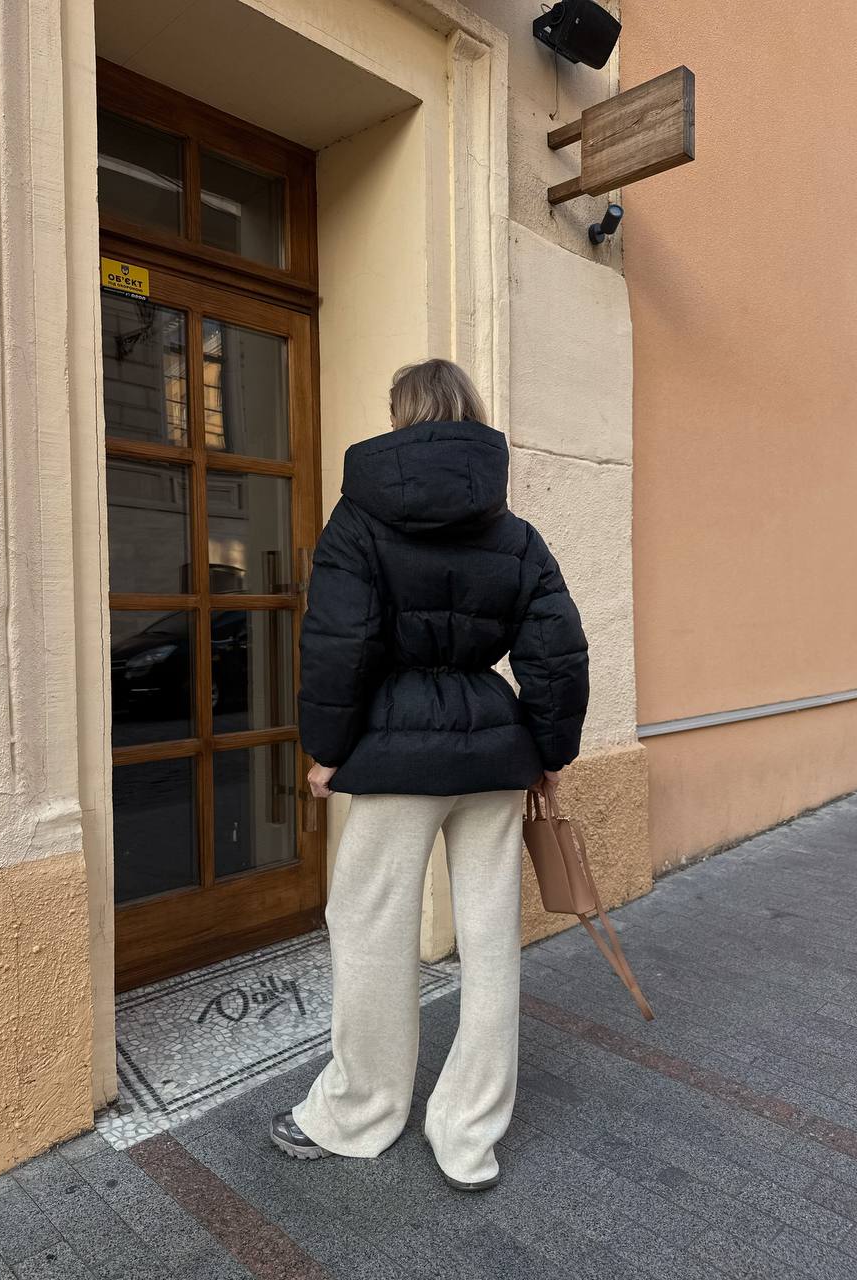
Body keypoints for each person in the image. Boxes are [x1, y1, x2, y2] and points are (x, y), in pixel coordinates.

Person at [270, 358, 589, 1190]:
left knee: (370, 926)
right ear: (471, 418)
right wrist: (550, 755)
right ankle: (468, 1135)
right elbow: (556, 650)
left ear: (400, 416)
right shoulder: (513, 532)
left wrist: (325, 750)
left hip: (392, 754)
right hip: (491, 752)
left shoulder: (359, 518)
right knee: (489, 939)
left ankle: (358, 1116)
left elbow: (338, 644)